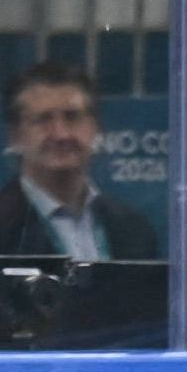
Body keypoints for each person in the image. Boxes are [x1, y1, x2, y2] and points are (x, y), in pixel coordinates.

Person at [0, 61, 159, 262]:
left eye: (72, 117)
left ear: (96, 128)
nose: (61, 134)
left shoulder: (133, 230)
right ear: (15, 136)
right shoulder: (4, 226)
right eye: (43, 119)